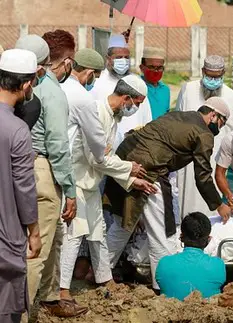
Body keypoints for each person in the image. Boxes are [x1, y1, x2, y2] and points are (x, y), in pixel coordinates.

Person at [104, 97, 233, 291]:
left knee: (122, 226)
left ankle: (100, 273)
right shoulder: (203, 132)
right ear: (213, 115)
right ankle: (163, 285)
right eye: (221, 123)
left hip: (123, 164)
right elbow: (203, 175)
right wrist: (218, 204)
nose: (220, 129)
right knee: (163, 232)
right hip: (148, 172)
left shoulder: (179, 116)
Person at [59, 69, 156, 302]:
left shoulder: (113, 116)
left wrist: (131, 179)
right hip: (78, 182)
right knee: (74, 235)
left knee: (97, 232)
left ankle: (105, 278)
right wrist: (128, 170)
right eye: (137, 103)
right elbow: (96, 158)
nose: (136, 109)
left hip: (91, 183)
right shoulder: (98, 113)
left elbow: (104, 158)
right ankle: (62, 289)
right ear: (126, 99)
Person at [16, 31, 86, 317]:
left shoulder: (10, 85)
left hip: (17, 165)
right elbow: (57, 145)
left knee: (51, 238)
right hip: (43, 169)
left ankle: (49, 296)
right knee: (36, 247)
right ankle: (20, 313)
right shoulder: (51, 91)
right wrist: (69, 190)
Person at [0, 49, 42, 323]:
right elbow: (24, 188)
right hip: (6, 233)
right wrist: (34, 232)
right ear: (26, 84)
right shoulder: (16, 129)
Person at [176, 55, 233, 218]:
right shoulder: (188, 90)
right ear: (202, 72)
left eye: (217, 77)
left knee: (213, 209)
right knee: (187, 206)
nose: (213, 80)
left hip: (217, 161)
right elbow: (178, 121)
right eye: (209, 76)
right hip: (188, 159)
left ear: (223, 73)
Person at [91, 34, 152, 150]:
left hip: (134, 146)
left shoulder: (137, 83)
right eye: (119, 57)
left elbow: (146, 117)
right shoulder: (97, 83)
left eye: (126, 57)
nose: (123, 61)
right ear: (108, 58)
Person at [156, 212, 226, 300]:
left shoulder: (164, 263)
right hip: (206, 312)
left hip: (170, 312)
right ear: (208, 239)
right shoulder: (218, 265)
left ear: (181, 237)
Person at [140, 47, 170, 120]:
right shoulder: (137, 87)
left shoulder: (165, 90)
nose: (156, 71)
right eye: (151, 67)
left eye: (159, 68)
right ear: (142, 68)